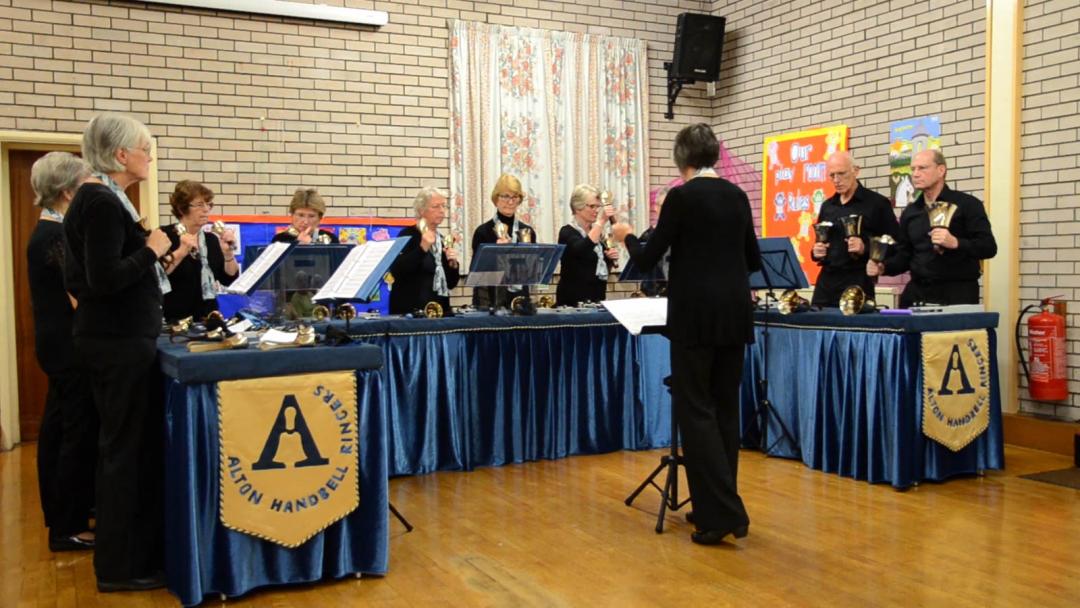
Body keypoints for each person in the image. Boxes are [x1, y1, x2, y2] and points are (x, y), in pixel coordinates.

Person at [612, 123, 761, 546]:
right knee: (725, 412)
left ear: (683, 160)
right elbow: (752, 257)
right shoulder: (737, 195)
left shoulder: (681, 196)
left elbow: (647, 259)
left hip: (695, 319)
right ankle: (713, 506)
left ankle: (723, 515)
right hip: (734, 317)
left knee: (696, 413)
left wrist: (625, 237)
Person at [63, 113, 172, 592]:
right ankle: (121, 567)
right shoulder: (102, 201)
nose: (150, 157)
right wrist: (150, 250)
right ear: (121, 154)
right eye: (145, 149)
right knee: (123, 455)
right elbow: (104, 279)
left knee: (122, 451)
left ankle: (127, 558)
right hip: (118, 344)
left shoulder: (99, 199)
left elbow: (88, 277)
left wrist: (151, 254)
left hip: (114, 340)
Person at [27, 152, 98, 553]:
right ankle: (68, 525)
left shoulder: (48, 232)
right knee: (74, 434)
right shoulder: (56, 236)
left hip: (56, 345)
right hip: (68, 347)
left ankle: (61, 513)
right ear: (69, 191)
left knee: (57, 431)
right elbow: (79, 297)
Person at [867, 149, 997, 307]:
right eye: (913, 169)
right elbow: (904, 255)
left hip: (957, 294)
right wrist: (883, 267)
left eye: (922, 168)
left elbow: (989, 247)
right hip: (917, 294)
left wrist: (956, 242)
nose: (915, 174)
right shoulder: (911, 211)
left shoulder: (967, 204)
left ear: (941, 170)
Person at [810, 151, 898, 307]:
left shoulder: (877, 203)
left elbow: (895, 244)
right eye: (832, 175)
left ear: (856, 171)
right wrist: (816, 252)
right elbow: (820, 243)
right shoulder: (827, 206)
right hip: (826, 283)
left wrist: (865, 247)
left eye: (842, 174)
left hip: (858, 281)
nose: (836, 180)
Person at [161, 180, 239, 322]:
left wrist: (228, 254)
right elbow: (157, 275)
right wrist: (181, 251)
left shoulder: (211, 240)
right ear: (181, 208)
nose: (206, 209)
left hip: (209, 317)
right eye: (199, 205)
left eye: (208, 204)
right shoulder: (165, 236)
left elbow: (229, 279)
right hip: (175, 320)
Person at [389, 187, 461, 315]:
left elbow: (450, 284)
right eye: (436, 206)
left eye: (443, 206)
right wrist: (422, 248)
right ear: (421, 210)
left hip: (440, 312)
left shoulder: (442, 240)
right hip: (411, 313)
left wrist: (453, 265)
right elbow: (397, 271)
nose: (441, 211)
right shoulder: (407, 235)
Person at [470, 174, 536, 309]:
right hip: (490, 302)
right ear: (496, 199)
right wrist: (496, 254)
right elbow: (476, 275)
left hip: (520, 301)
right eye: (505, 196)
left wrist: (530, 258)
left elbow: (532, 273)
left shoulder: (527, 232)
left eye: (515, 197)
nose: (510, 201)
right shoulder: (483, 232)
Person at [555, 184, 617, 307]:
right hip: (573, 303)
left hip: (596, 299)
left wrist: (609, 259)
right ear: (578, 207)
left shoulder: (598, 235)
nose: (597, 210)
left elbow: (599, 271)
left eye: (598, 206)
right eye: (592, 206)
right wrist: (601, 222)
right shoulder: (567, 232)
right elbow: (581, 249)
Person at [271, 188, 338, 244]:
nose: (305, 221)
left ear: (320, 218)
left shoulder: (330, 239)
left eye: (311, 216)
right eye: (300, 215)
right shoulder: (280, 239)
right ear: (292, 215)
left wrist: (310, 245)